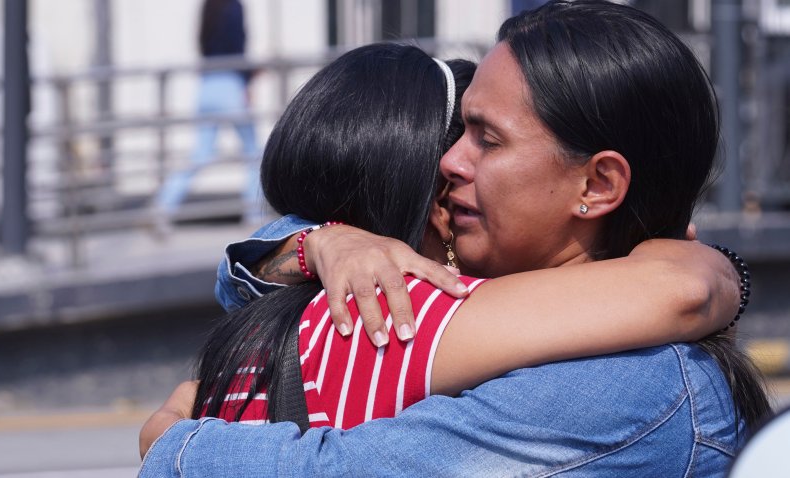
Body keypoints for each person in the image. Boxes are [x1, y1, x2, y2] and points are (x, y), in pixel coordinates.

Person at [140, 2, 771, 476]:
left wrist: (173, 445)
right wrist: (318, 242)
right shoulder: (423, 303)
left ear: (598, 184)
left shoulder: (635, 386)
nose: (450, 163)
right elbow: (242, 277)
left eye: (486, 139)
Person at [155, 0, 261, 224]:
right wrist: (248, 77)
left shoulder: (208, 7)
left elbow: (209, 48)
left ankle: (163, 207)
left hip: (207, 84)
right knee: (253, 153)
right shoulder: (234, 6)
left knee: (200, 154)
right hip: (230, 84)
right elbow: (235, 47)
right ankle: (254, 215)